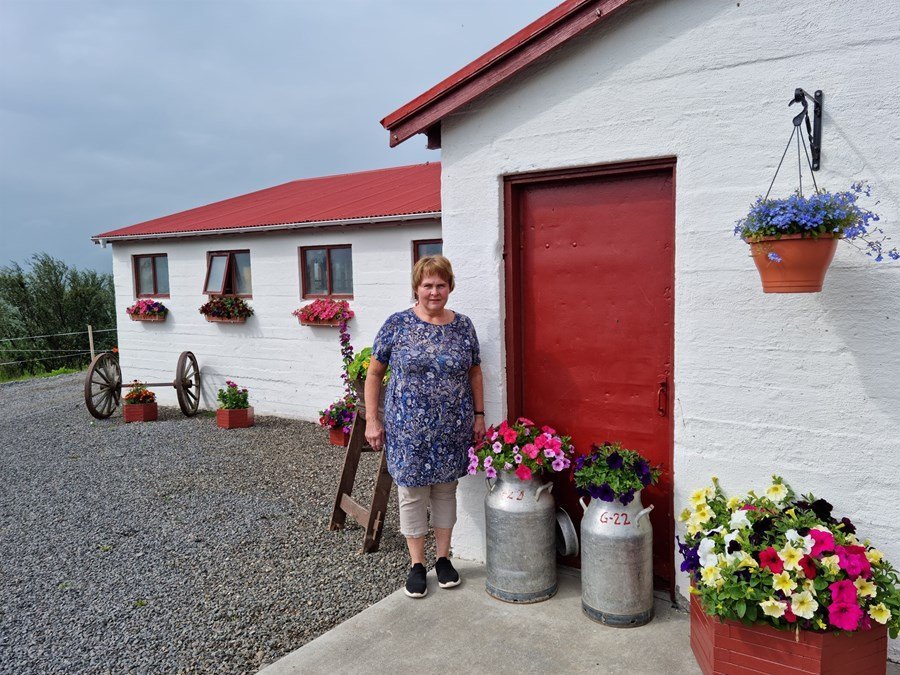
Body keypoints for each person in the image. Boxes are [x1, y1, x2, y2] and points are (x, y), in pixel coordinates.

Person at [364, 255, 485, 598]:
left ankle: (443, 559)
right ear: (416, 288)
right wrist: (373, 419)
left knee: (446, 489)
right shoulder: (397, 324)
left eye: (441, 285)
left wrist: (478, 414)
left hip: (452, 426)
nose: (434, 291)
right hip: (408, 428)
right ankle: (417, 564)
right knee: (413, 493)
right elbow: (374, 374)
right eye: (428, 285)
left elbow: (475, 370)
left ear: (450, 287)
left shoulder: (463, 326)